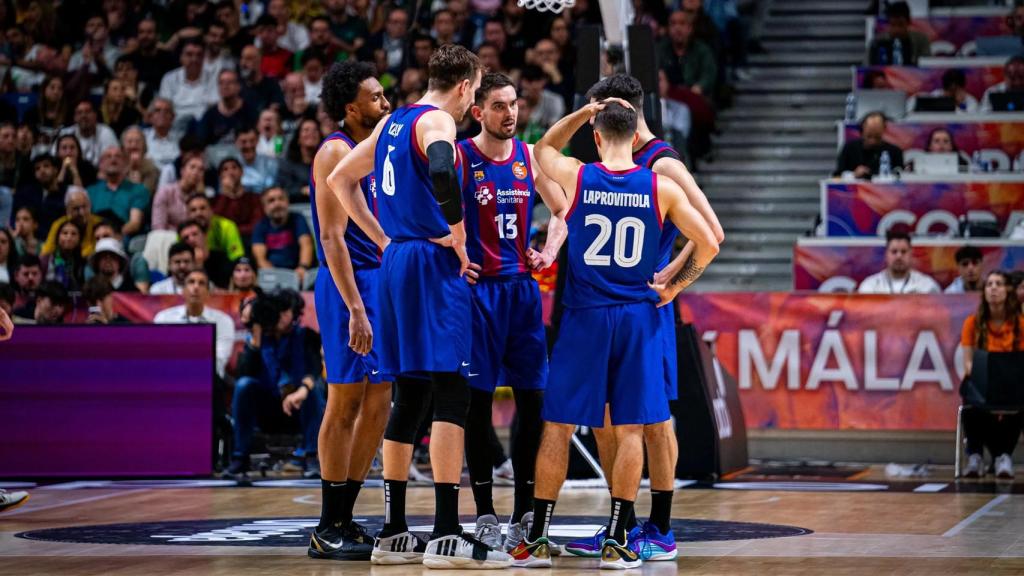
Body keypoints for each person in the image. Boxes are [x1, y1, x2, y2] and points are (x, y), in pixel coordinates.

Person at [509, 98, 718, 569]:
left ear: (598, 137)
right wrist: (672, 285)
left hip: (585, 315)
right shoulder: (660, 186)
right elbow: (706, 241)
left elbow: (542, 147)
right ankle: (619, 539)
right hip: (636, 317)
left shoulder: (579, 177)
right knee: (630, 429)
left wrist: (583, 113)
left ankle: (537, 537)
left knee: (558, 426)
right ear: (634, 133)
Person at [328, 44, 511, 568]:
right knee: (453, 393)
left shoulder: (390, 124)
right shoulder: (435, 122)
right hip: (431, 265)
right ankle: (449, 533)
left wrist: (385, 239)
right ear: (465, 87)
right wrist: (456, 236)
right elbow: (437, 165)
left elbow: (341, 180)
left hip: (397, 265)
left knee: (409, 395)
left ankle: (394, 532)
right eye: (475, 91)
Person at [563, 73, 724, 561]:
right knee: (613, 419)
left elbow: (712, 231)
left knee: (652, 420)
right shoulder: (619, 158)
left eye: (598, 111)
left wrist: (670, 280)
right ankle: (623, 522)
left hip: (642, 309)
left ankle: (662, 527)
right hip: (612, 306)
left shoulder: (664, 164)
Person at [453, 72, 568, 553]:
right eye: (499, 106)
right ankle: (483, 514)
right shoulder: (459, 156)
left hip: (521, 293)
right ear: (478, 111)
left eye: (514, 104)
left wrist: (550, 249)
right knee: (476, 408)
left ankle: (523, 511)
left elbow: (562, 211)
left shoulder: (526, 156)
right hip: (478, 295)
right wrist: (452, 251)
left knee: (534, 405)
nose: (511, 113)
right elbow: (432, 213)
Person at [305, 60, 393, 562]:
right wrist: (356, 309)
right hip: (347, 286)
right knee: (344, 402)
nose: (385, 103)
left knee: (380, 397)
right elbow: (332, 237)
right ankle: (325, 523)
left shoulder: (377, 150)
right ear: (350, 108)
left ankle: (345, 514)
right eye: (376, 97)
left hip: (380, 283)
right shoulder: (335, 151)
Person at [228, 288, 325, 478]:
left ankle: (312, 456)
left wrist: (302, 391)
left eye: (285, 311)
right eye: (276, 311)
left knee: (314, 390)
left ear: (294, 313)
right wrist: (256, 337)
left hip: (298, 407)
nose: (280, 316)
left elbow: (313, 371)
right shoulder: (261, 339)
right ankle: (240, 458)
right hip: (268, 405)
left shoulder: (306, 335)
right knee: (244, 385)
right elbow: (243, 374)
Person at [960, 270, 1024, 479]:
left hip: (1012, 382)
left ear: (1007, 290)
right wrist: (980, 379)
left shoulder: (1020, 324)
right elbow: (968, 361)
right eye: (989, 284)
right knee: (971, 398)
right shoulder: (973, 323)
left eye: (998, 284)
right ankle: (976, 456)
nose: (993, 288)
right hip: (983, 380)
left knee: (1018, 404)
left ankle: (1003, 455)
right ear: (984, 292)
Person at [154, 268, 236, 379]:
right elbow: (159, 357)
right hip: (171, 378)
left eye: (201, 283)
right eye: (191, 282)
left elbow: (219, 362)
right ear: (183, 291)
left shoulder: (223, 321)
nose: (196, 287)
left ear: (208, 293)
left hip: (208, 379)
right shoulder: (163, 318)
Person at [252, 187, 314, 283]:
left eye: (281, 199)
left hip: (297, 272)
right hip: (273, 273)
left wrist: (303, 267)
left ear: (287, 202)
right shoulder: (260, 226)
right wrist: (276, 276)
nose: (277, 204)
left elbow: (306, 245)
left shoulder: (298, 219)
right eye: (271, 201)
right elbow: (260, 259)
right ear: (264, 207)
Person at [86, 146, 150, 237]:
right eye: (108, 156)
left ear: (126, 163)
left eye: (118, 156)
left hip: (123, 237)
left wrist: (112, 236)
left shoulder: (138, 190)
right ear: (101, 164)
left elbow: (134, 223)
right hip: (93, 237)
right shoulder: (91, 191)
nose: (113, 159)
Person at [857, 229, 940, 294]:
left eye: (903, 251)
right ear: (886, 255)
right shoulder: (871, 286)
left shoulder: (926, 286)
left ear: (911, 254)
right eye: (894, 251)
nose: (899, 256)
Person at [833, 112, 904, 179]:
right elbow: (837, 175)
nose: (873, 141)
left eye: (877, 137)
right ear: (862, 131)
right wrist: (853, 174)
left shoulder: (895, 151)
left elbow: (900, 176)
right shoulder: (849, 148)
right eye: (869, 136)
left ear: (883, 131)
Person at [42, 187, 102, 258]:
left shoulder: (99, 223)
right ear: (67, 210)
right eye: (76, 208)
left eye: (84, 207)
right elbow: (46, 252)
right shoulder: (59, 224)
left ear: (90, 206)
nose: (81, 213)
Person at [58, 101, 120, 168]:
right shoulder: (66, 134)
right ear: (74, 117)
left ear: (95, 115)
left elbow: (114, 159)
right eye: (79, 113)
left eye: (87, 112)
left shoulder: (106, 132)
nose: (83, 116)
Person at [211, 157, 263, 239]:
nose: (230, 172)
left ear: (242, 172)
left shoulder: (254, 198)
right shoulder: (215, 201)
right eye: (225, 169)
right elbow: (214, 224)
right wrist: (225, 194)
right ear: (220, 176)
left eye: (234, 167)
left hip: (249, 240)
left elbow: (257, 225)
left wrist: (232, 231)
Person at [866, 1, 930, 66]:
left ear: (908, 23)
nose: (896, 30)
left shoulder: (921, 41)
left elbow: (929, 66)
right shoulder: (877, 42)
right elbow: (867, 68)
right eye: (893, 25)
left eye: (900, 25)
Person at [153, 155, 206, 231]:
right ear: (182, 171)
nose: (196, 172)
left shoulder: (202, 196)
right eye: (192, 167)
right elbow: (158, 226)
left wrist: (201, 196)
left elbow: (204, 227)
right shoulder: (165, 192)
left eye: (201, 170)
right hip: (167, 237)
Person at [186, 194, 246, 261]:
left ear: (211, 210)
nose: (199, 213)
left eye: (203, 208)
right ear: (188, 214)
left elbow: (236, 257)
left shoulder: (226, 227)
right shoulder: (184, 231)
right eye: (193, 210)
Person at [178, 219, 233, 289]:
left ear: (205, 235)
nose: (191, 239)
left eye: (195, 234)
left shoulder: (221, 258)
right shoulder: (180, 262)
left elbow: (225, 289)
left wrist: (200, 267)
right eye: (186, 238)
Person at [41, 219, 86, 292]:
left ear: (79, 239)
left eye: (74, 234)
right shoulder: (46, 260)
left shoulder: (83, 263)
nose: (69, 237)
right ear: (57, 237)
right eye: (65, 233)